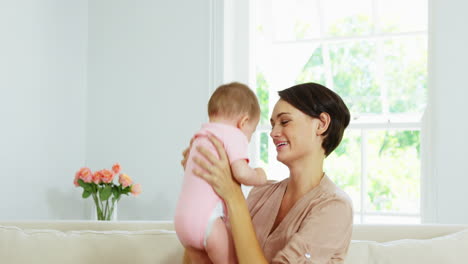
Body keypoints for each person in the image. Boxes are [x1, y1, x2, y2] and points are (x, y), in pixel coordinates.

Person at [182, 82, 354, 264]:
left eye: (285, 122)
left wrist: (233, 196)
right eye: (272, 125)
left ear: (321, 124)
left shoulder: (335, 207)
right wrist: (203, 186)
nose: (273, 133)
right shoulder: (261, 192)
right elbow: (206, 256)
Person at [174, 82, 268, 264]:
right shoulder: (234, 135)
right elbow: (241, 172)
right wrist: (259, 175)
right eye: (252, 132)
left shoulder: (199, 137)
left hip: (182, 221)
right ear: (244, 122)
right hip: (208, 220)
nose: (248, 138)